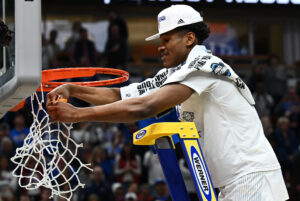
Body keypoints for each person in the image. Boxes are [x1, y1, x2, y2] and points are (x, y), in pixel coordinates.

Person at [47, 5, 289, 201]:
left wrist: (77, 114)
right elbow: (123, 96)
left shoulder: (203, 65)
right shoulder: (177, 73)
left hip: (251, 178)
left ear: (189, 38)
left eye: (166, 39)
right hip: (232, 183)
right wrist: (73, 88)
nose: (160, 47)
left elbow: (144, 107)